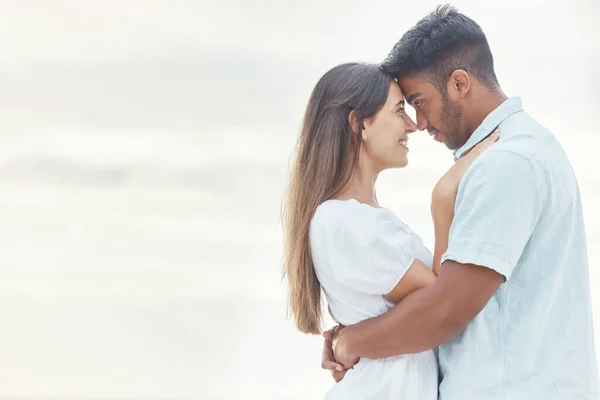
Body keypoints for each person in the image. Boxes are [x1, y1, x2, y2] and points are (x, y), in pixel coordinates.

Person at [321, 5, 599, 400]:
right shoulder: (517, 151)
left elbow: (447, 310)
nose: (417, 122)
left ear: (459, 83)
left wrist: (351, 344)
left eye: (418, 101)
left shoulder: (507, 163)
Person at [282, 61, 498, 399]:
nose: (412, 125)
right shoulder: (344, 222)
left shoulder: (357, 220)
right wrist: (443, 201)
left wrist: (349, 338)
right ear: (358, 123)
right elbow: (444, 302)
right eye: (399, 110)